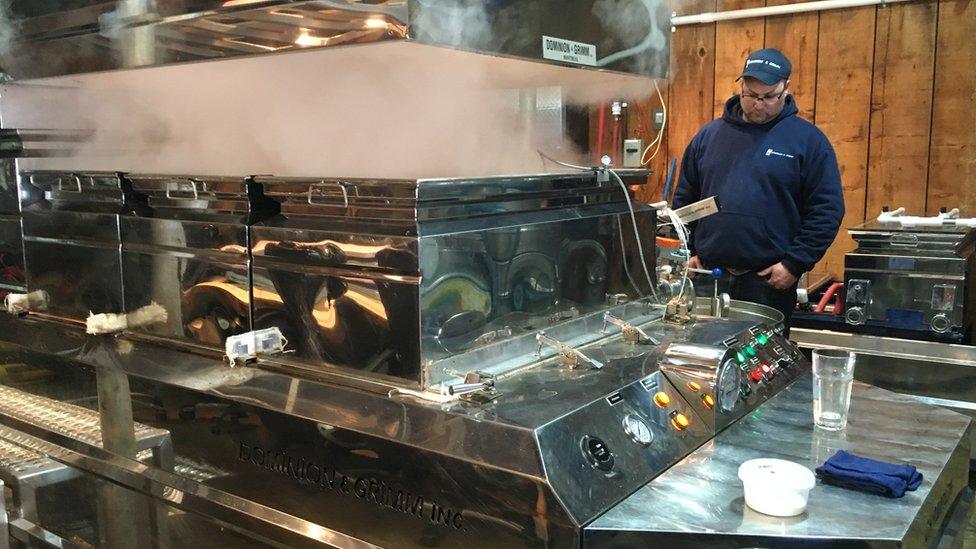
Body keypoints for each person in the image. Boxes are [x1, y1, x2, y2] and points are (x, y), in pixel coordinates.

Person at [671, 48, 844, 332]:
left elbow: (827, 210)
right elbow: (685, 200)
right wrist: (686, 249)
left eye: (768, 97)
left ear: (786, 90)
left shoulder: (808, 142)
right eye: (750, 94)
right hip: (707, 277)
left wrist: (794, 264)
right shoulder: (708, 137)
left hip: (768, 282)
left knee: (760, 369)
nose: (758, 105)